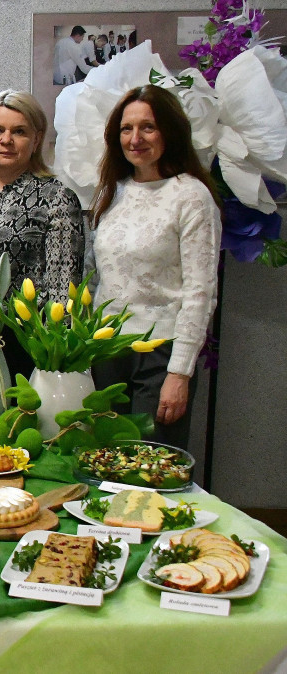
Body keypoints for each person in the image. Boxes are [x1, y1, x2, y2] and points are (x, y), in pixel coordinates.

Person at [87, 85, 221, 449]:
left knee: (149, 466)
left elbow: (201, 293)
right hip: (107, 351)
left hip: (160, 352)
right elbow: (97, 277)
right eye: (126, 129)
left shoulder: (191, 196)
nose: (135, 139)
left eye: (148, 127)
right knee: (104, 460)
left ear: (170, 131)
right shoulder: (110, 192)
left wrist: (179, 373)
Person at [0, 90, 83, 380]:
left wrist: (55, 353)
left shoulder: (57, 199)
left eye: (19, 131)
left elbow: (64, 284)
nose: (6, 140)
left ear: (36, 139)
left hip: (26, 338)